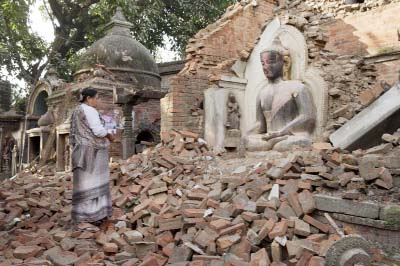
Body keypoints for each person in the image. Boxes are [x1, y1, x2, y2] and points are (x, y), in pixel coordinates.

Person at [243, 39, 315, 152]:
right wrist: (247, 134)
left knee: (289, 144)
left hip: (288, 136)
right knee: (249, 141)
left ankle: (274, 145)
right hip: (269, 138)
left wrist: (281, 132)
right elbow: (260, 124)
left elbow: (307, 117)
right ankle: (270, 145)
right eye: (263, 63)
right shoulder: (262, 92)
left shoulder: (298, 87)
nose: (266, 67)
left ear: (285, 62)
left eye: (271, 62)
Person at [70, 88, 115, 226]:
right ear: (89, 98)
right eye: (97, 97)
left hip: (79, 150)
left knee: (83, 183)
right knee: (95, 183)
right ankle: (94, 215)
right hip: (93, 152)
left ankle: (81, 216)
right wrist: (109, 135)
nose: (98, 100)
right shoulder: (90, 110)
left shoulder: (77, 110)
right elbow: (98, 130)